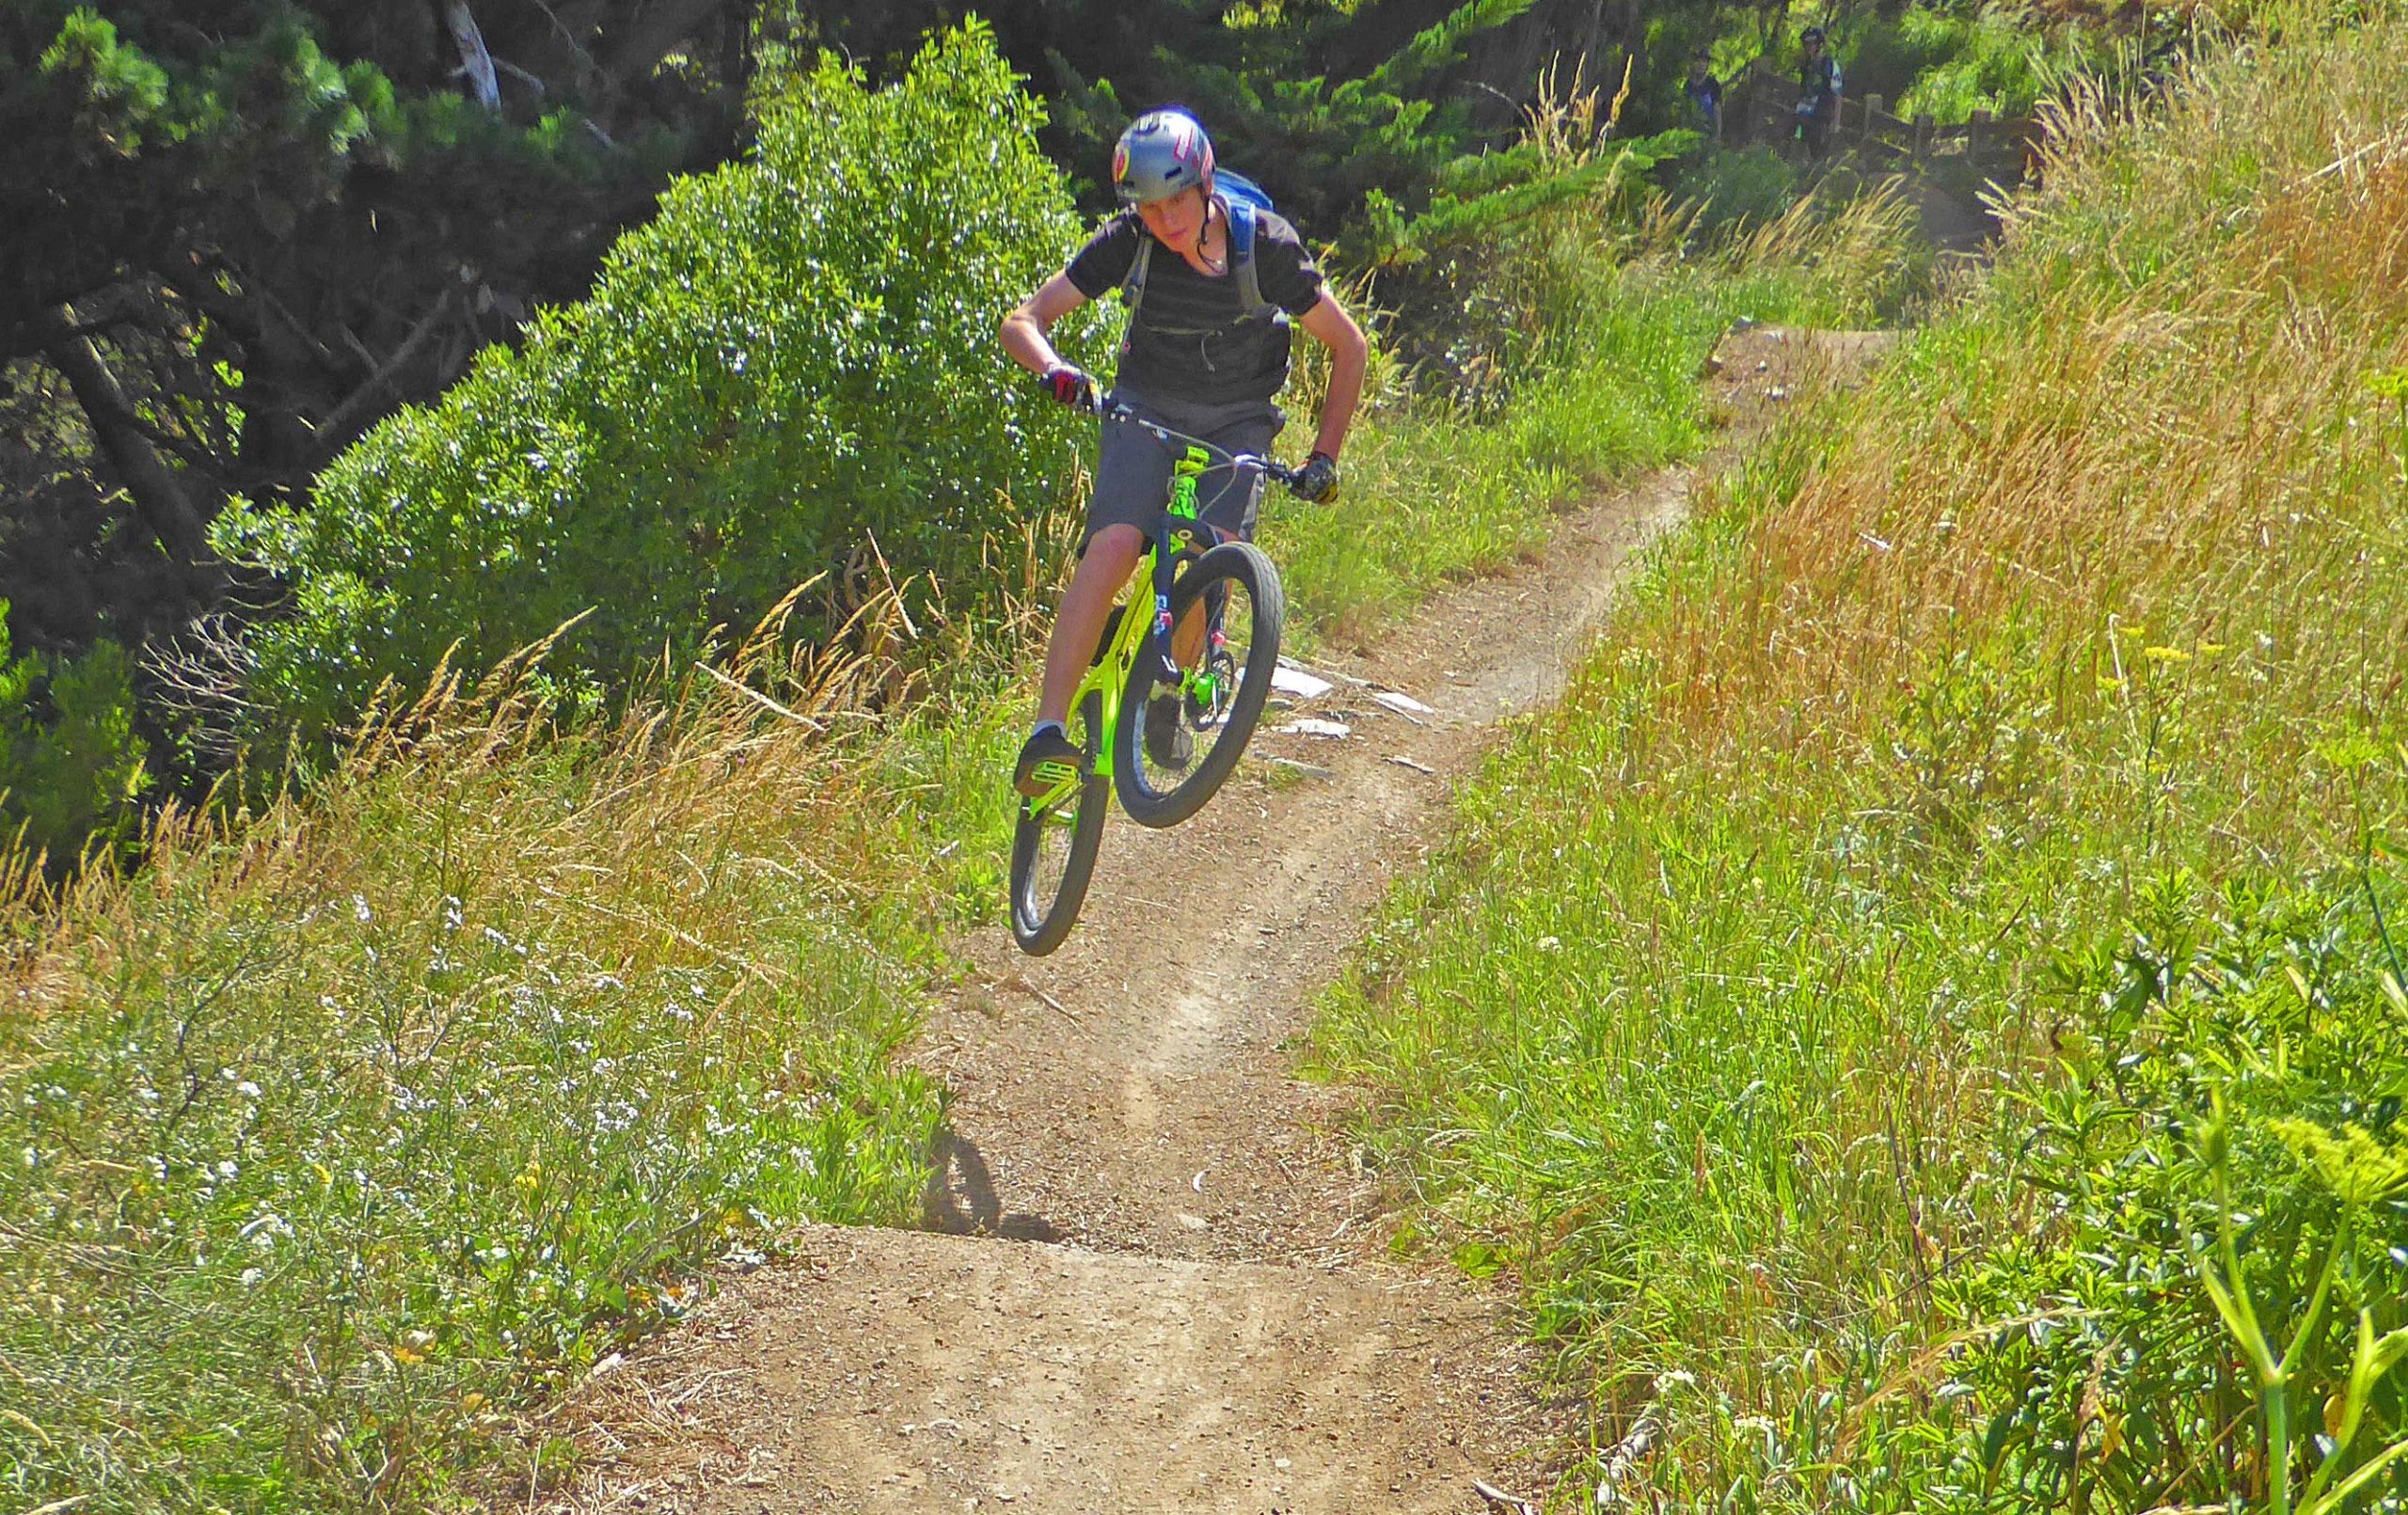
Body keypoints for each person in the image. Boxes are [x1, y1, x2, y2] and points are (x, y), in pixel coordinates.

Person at [999, 107, 1370, 797]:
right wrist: (1057, 370)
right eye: (1149, 206)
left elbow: (1350, 345)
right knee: (1112, 546)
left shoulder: (1267, 248)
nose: (1166, 221)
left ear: (1205, 186)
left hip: (1238, 419)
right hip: (1145, 407)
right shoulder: (1130, 241)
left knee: (1216, 550)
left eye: (1176, 201)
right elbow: (1024, 319)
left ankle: (1167, 691)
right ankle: (1046, 734)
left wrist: (1325, 456)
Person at [1796, 25, 1844, 158]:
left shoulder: (1830, 65)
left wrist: (1836, 123)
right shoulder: (1805, 67)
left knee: (1818, 154)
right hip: (1805, 116)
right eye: (1807, 44)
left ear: (1819, 45)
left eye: (1813, 43)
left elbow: (1837, 95)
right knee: (1801, 151)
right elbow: (1803, 90)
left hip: (1822, 117)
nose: (1810, 47)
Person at [1683, 48, 1724, 139]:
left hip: (1709, 131)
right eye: (1698, 61)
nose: (1701, 65)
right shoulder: (1688, 86)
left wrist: (1718, 134)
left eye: (1704, 62)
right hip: (1691, 133)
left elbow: (1717, 109)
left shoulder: (1713, 84)